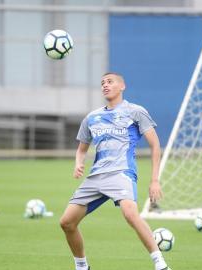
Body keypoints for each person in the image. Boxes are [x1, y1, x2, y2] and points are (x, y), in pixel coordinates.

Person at [60, 72, 171, 270]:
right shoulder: (92, 117)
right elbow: (81, 149)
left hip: (121, 173)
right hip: (96, 177)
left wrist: (154, 180)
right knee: (67, 222)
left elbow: (155, 146)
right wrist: (78, 163)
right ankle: (82, 266)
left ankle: (160, 264)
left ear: (122, 86)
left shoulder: (135, 111)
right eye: (102, 82)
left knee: (130, 214)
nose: (105, 85)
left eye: (110, 82)